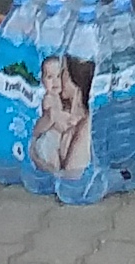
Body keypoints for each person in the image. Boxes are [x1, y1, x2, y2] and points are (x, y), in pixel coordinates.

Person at [29, 47, 95, 181]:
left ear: (73, 79)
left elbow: (72, 175)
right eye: (50, 76)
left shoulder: (85, 123)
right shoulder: (58, 105)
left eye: (61, 73)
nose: (57, 81)